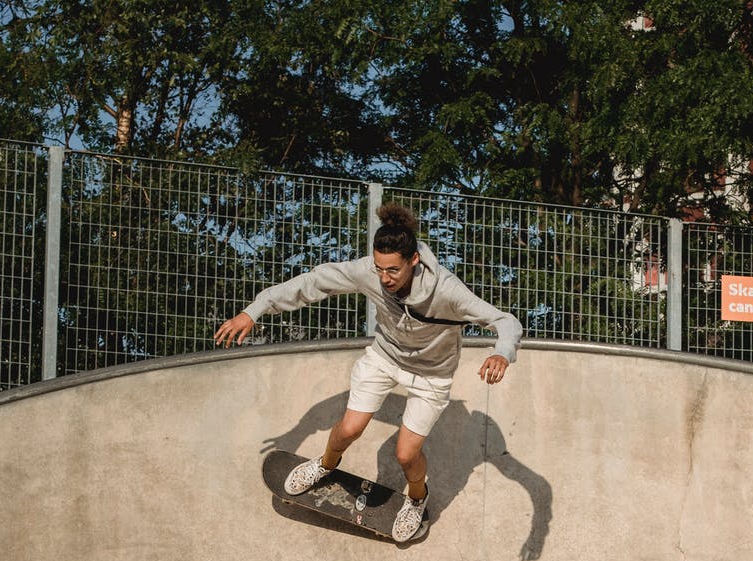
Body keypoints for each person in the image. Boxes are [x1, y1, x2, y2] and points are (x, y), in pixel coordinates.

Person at [214, 204, 522, 542]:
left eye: (393, 270)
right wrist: (253, 311)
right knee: (349, 428)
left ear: (414, 261)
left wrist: (501, 354)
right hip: (384, 357)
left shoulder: (447, 290)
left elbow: (505, 321)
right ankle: (325, 465)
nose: (385, 279)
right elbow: (313, 282)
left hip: (431, 376)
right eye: (379, 269)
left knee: (406, 454)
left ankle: (418, 499)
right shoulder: (368, 272)